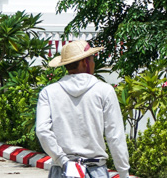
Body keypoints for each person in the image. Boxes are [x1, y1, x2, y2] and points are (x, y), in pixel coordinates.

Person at [36, 40, 129, 178]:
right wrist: (123, 172)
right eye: (92, 59)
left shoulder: (49, 92)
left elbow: (42, 131)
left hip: (62, 169)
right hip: (95, 170)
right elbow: (115, 136)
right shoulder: (104, 91)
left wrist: (62, 160)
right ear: (84, 62)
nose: (93, 64)